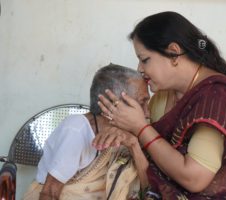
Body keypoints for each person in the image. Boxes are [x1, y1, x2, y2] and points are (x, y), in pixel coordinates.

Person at [96, 12, 226, 199]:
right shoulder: (164, 94)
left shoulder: (214, 99)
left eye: (144, 59)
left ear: (174, 53)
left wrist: (140, 128)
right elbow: (151, 152)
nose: (139, 69)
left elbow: (194, 179)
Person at [23, 63, 150, 200]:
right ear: (113, 104)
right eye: (142, 103)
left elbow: (150, 190)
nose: (147, 113)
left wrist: (133, 144)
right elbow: (49, 193)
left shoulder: (127, 135)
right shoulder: (77, 130)